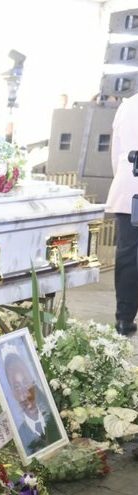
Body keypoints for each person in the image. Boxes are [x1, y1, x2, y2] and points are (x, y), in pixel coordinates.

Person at [107, 94, 138, 336]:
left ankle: (124, 319)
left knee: (128, 255)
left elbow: (116, 152)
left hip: (128, 188)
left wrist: (124, 178)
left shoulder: (128, 106)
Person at [3, 352, 61, 456]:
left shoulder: (55, 417)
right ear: (13, 394)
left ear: (33, 384)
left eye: (26, 382)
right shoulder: (19, 437)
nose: (25, 393)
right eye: (17, 387)